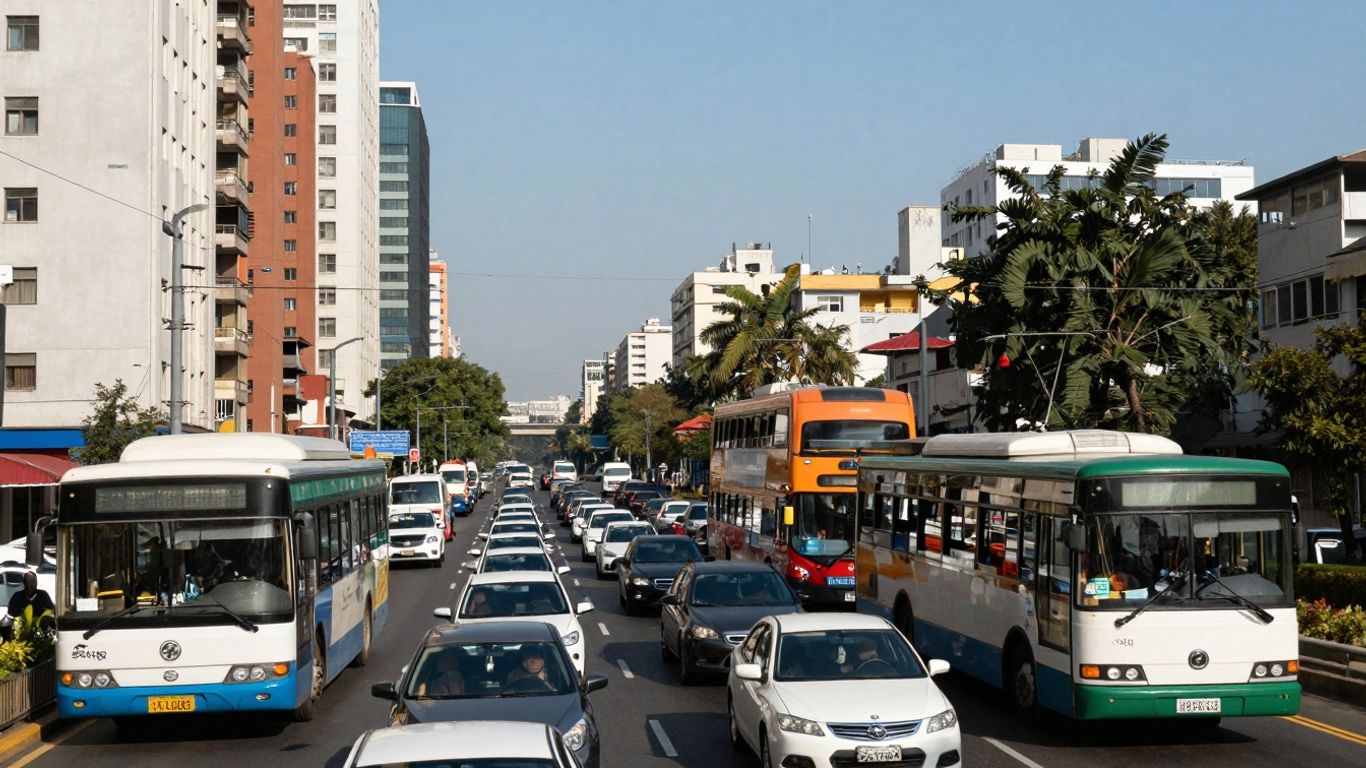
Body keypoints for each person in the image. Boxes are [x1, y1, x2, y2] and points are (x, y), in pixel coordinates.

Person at [3, 571, 54, 640]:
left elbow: (51, 612)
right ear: (24, 583)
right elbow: (10, 617)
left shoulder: (43, 595)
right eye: (29, 582)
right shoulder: (17, 596)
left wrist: (44, 618)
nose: (32, 585)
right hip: (20, 635)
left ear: (36, 583)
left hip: (40, 634)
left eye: (34, 582)